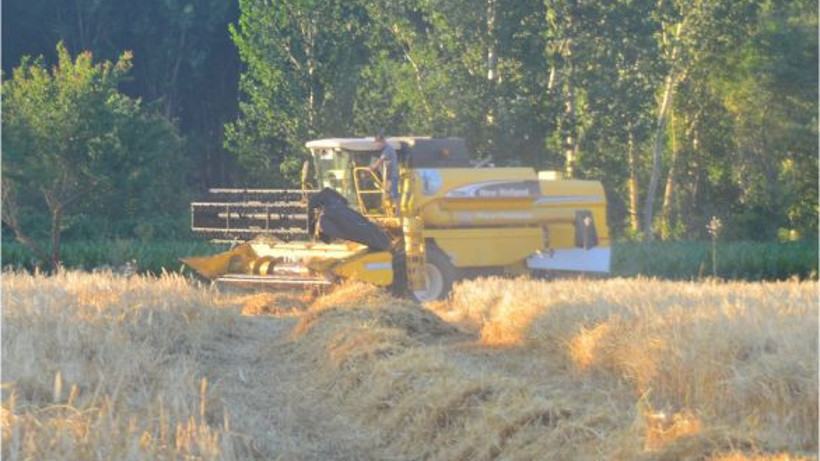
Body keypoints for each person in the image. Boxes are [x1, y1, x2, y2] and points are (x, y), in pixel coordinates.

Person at [369, 134, 400, 214]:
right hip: (386, 176)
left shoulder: (388, 149)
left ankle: (397, 211)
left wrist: (373, 167)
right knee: (386, 193)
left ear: (382, 142)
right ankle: (387, 210)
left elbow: (381, 160)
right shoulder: (385, 150)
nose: (376, 145)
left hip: (392, 175)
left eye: (377, 143)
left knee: (393, 192)